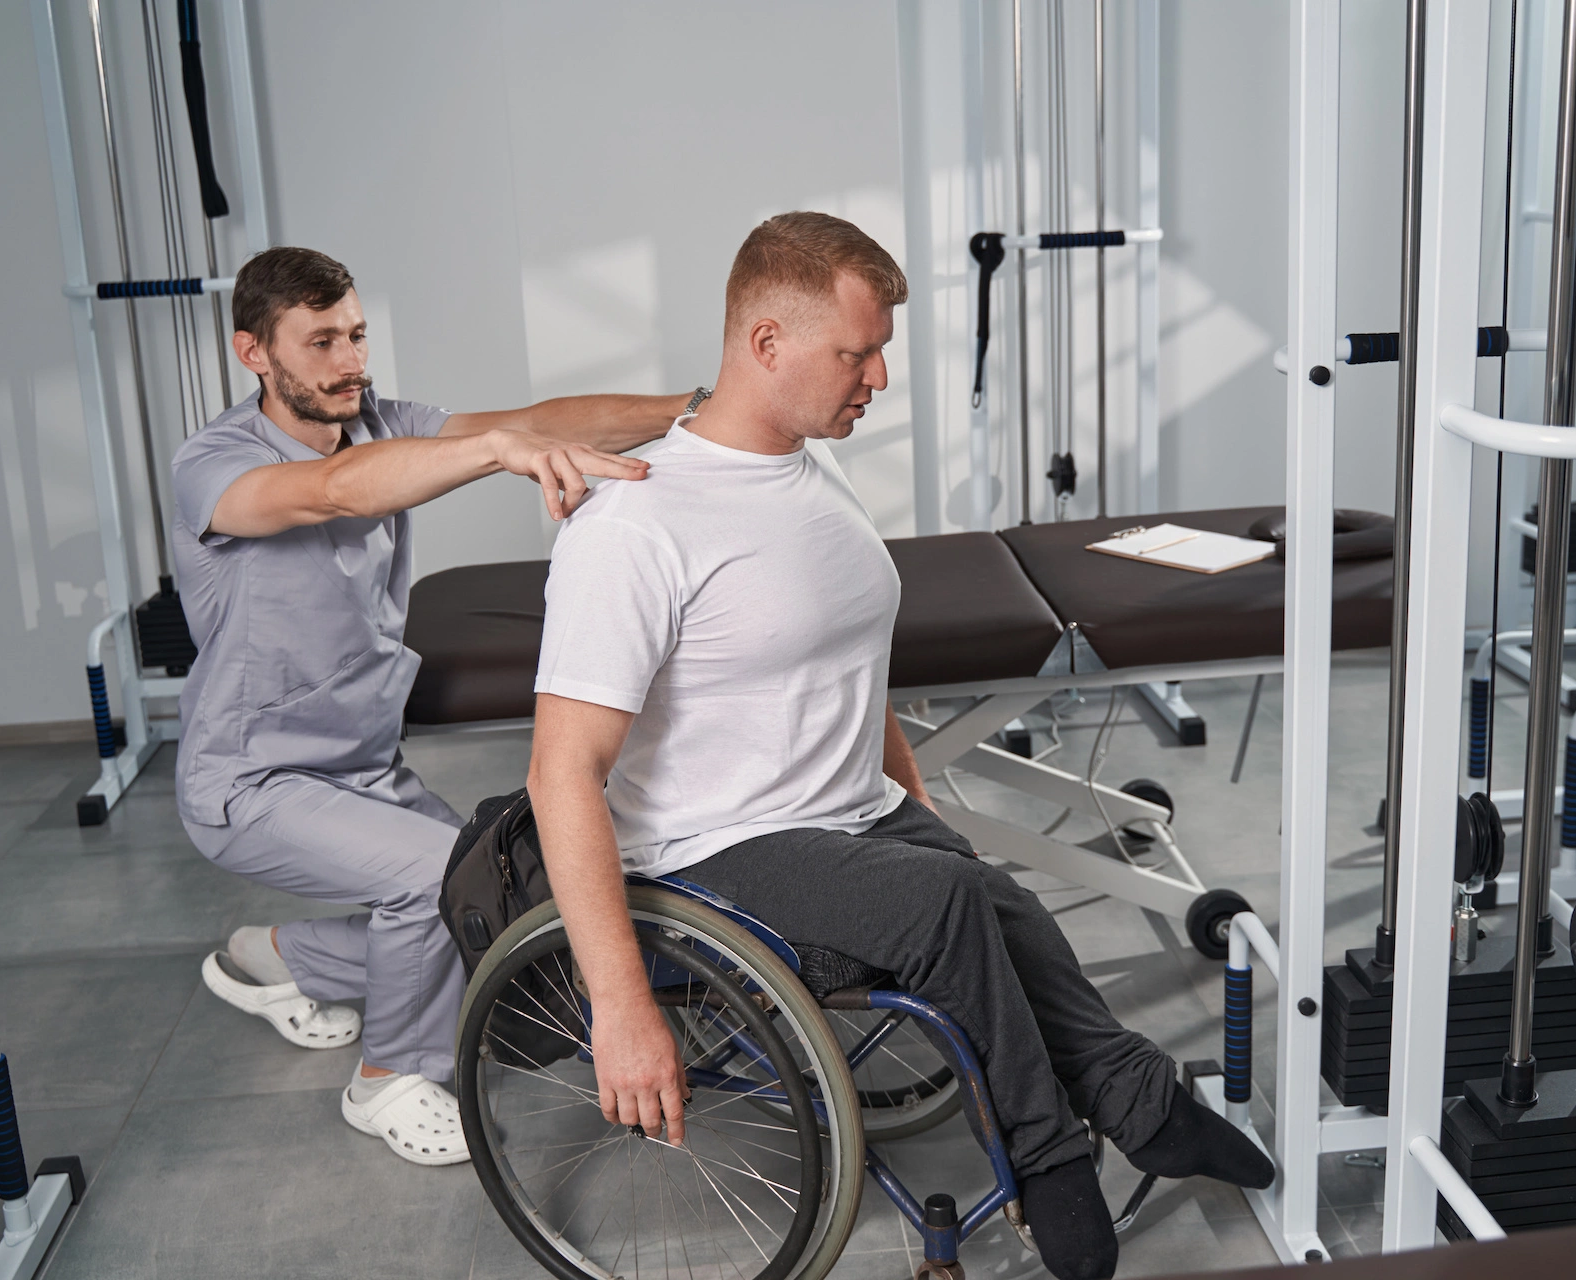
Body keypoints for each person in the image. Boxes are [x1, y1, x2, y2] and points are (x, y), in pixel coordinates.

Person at [527, 212, 1273, 1280]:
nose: (877, 376)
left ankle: (1141, 1100)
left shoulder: (805, 473)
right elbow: (561, 771)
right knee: (952, 902)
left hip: (848, 819)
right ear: (766, 344)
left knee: (997, 897)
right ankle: (1049, 1164)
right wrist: (622, 1006)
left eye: (882, 350)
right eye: (856, 352)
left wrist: (913, 806)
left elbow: (843, 661)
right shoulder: (635, 527)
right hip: (710, 851)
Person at [172, 245, 682, 1166]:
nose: (348, 360)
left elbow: (540, 418)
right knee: (432, 879)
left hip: (364, 766)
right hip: (249, 779)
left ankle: (281, 956)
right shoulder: (212, 466)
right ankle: (385, 1081)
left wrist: (693, 409)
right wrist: (488, 453)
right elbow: (329, 492)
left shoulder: (379, 423)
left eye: (357, 335)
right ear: (255, 352)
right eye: (320, 341)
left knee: (484, 895)